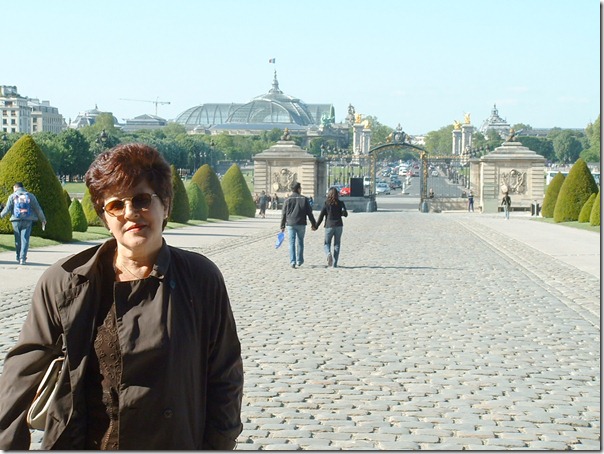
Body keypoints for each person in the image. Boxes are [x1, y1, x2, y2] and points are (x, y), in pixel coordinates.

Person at [0, 144, 243, 450]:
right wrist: (9, 444)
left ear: (165, 205)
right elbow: (23, 370)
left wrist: (218, 444)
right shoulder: (65, 280)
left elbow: (225, 375)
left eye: (142, 200)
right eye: (115, 205)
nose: (130, 214)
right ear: (104, 215)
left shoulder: (200, 278)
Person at [0, 182, 46, 265]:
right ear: (23, 187)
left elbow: (7, 209)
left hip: (15, 220)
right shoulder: (30, 196)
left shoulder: (12, 196)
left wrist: (1, 216)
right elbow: (38, 208)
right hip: (27, 220)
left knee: (17, 240)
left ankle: (18, 256)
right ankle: (22, 258)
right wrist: (43, 219)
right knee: (25, 239)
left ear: (15, 187)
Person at [280, 182, 317, 268]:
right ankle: (299, 260)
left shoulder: (287, 199)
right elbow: (309, 213)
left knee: (291, 243)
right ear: (299, 189)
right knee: (300, 242)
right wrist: (313, 224)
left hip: (291, 223)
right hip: (301, 223)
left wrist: (282, 225)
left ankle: (292, 261)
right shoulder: (304, 199)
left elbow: (284, 213)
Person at [315, 187, 348, 268]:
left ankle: (328, 254)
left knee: (326, 243)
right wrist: (343, 212)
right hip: (339, 225)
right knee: (337, 244)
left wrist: (316, 226)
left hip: (329, 225)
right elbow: (346, 214)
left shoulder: (326, 203)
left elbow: (321, 216)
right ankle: (335, 263)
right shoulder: (341, 203)